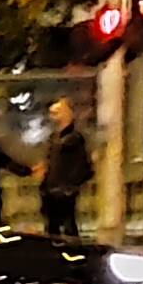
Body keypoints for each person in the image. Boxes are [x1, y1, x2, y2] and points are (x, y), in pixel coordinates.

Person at [39, 97, 96, 247]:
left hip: (63, 191)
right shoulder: (55, 138)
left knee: (67, 227)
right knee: (53, 229)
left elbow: (84, 167)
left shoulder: (74, 139)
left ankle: (74, 255)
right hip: (52, 190)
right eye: (53, 113)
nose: (53, 116)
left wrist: (70, 187)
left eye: (58, 112)